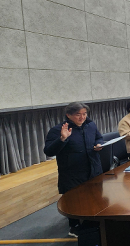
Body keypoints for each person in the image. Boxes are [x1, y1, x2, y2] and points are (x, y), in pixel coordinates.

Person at [44, 102, 103, 237]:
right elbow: (48, 151)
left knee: (93, 197)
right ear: (68, 115)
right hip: (72, 172)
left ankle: (92, 222)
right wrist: (62, 139)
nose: (82, 117)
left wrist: (99, 144)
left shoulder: (90, 125)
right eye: (78, 114)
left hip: (93, 167)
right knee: (74, 200)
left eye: (84, 114)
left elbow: (99, 137)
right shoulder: (58, 130)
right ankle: (74, 226)